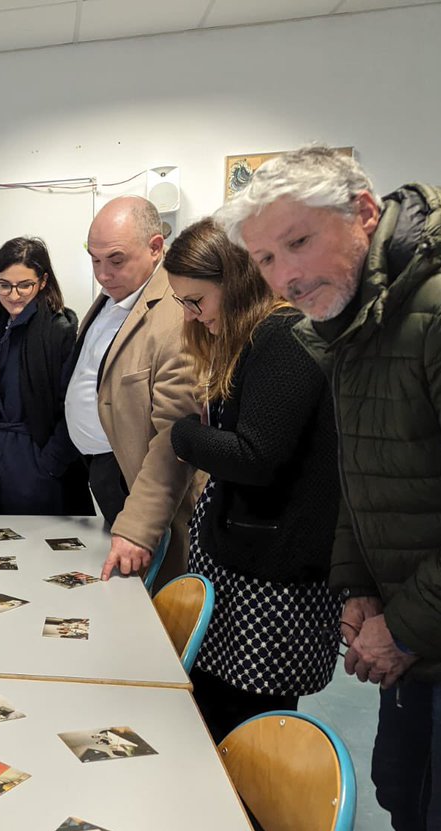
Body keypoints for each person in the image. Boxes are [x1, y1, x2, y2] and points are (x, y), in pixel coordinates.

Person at [220, 145, 441, 831]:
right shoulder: (353, 326)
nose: (285, 275)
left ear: (363, 211)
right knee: (409, 812)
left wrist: (405, 624)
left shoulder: (436, 309)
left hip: (431, 638)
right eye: (265, 258)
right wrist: (356, 589)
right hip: (412, 647)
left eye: (298, 241)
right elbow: (357, 482)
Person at [164, 217, 340, 742]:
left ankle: (246, 825)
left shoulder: (282, 336)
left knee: (247, 729)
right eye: (183, 304)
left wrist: (183, 435)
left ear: (235, 282)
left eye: (197, 300)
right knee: (214, 713)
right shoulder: (248, 338)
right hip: (242, 564)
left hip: (274, 579)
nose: (193, 315)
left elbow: (256, 456)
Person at [63, 197, 200, 586]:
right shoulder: (117, 294)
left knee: (147, 599)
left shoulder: (176, 312)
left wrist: (140, 526)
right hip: (104, 472)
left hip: (141, 483)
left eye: (116, 259)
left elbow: (174, 436)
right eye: (94, 260)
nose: (103, 274)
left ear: (156, 248)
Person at [0, 237, 91, 516]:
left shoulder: (60, 328)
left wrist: (49, 464)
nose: (14, 295)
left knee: (37, 553)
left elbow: (74, 408)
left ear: (43, 281)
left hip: (37, 467)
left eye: (24, 285)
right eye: (4, 285)